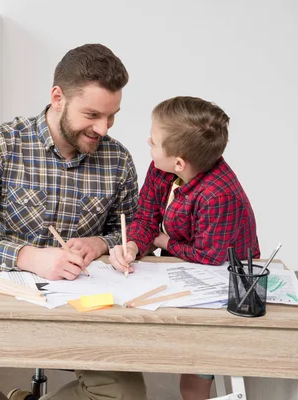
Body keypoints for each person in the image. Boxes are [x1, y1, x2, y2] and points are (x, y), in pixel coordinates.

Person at [0, 44, 145, 400]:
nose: (103, 128)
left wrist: (102, 243)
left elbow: (133, 231)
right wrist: (29, 257)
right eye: (92, 114)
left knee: (124, 394)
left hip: (85, 307)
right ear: (58, 97)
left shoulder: (118, 159)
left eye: (112, 116)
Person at [109, 96, 260, 400]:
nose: (147, 142)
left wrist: (162, 241)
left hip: (222, 278)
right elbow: (146, 216)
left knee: (196, 367)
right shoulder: (160, 167)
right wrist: (135, 244)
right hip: (182, 269)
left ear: (179, 162)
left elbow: (209, 255)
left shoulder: (219, 194)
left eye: (153, 141)